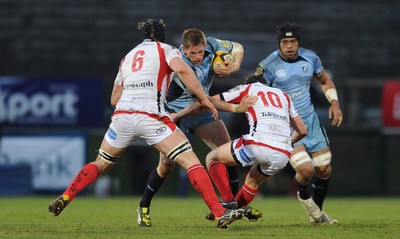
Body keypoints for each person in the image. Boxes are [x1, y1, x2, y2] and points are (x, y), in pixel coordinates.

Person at [47, 19, 248, 229]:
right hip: (152, 115)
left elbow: (114, 99)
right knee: (192, 162)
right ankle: (219, 213)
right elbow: (182, 70)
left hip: (122, 116)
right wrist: (205, 99)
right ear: (162, 35)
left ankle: (66, 196)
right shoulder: (167, 50)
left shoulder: (128, 56)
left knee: (101, 163)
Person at [136, 28, 246, 227]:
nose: (197, 57)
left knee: (228, 152)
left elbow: (238, 47)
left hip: (202, 110)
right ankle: (144, 205)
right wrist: (236, 108)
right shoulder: (178, 61)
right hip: (177, 114)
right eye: (192, 53)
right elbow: (200, 100)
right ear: (184, 50)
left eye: (200, 52)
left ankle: (232, 204)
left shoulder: (212, 45)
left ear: (205, 46)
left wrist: (233, 66)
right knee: (166, 166)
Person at [175, 75, 307, 221]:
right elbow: (302, 130)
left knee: (212, 157)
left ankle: (227, 202)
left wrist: (191, 104)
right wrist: (286, 142)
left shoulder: (248, 88)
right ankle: (233, 212)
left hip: (258, 144)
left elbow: (211, 101)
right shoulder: (284, 96)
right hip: (283, 153)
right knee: (252, 182)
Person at [255, 23, 343, 224]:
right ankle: (303, 194)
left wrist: (335, 102)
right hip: (286, 125)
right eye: (285, 42)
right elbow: (256, 89)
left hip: (310, 121)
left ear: (298, 42)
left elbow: (325, 81)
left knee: (324, 169)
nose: (289, 46)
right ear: (279, 43)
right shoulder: (269, 64)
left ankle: (317, 214)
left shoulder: (310, 58)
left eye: (293, 41)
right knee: (305, 170)